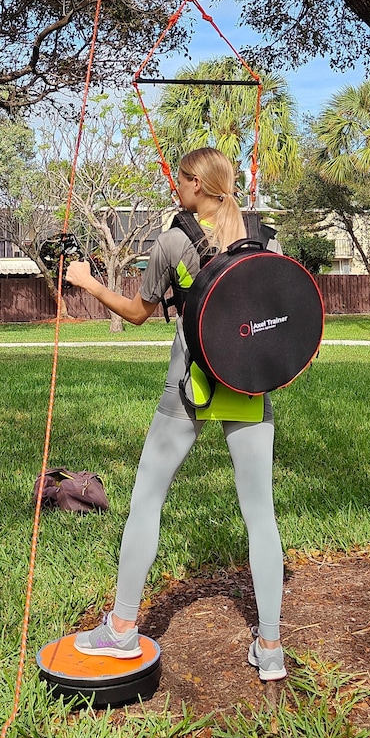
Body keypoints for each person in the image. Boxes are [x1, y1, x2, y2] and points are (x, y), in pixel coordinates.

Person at [64, 146, 286, 682]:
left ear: (194, 184)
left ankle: (120, 629)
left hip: (193, 386)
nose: (174, 189)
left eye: (179, 181)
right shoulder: (264, 238)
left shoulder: (171, 242)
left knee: (147, 498)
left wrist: (88, 284)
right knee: (260, 514)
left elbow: (139, 314)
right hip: (250, 386)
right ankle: (271, 647)